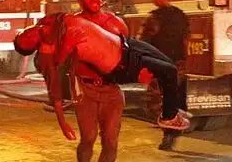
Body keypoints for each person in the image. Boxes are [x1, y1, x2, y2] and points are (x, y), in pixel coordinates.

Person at [13, 11, 191, 132]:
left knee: (169, 64)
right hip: (120, 62)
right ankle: (168, 117)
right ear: (34, 47)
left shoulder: (48, 21)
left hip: (124, 44)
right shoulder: (51, 49)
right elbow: (55, 90)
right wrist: (63, 122)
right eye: (28, 41)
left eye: (25, 33)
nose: (30, 34)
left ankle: (171, 107)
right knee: (168, 71)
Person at [65, 0, 129, 162]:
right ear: (80, 0)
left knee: (111, 142)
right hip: (87, 91)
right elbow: (65, 60)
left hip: (111, 92)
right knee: (88, 138)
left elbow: (128, 56)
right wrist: (73, 87)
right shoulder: (74, 25)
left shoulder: (116, 24)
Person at [139, 0, 190, 151]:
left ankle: (169, 134)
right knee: (175, 99)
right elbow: (185, 41)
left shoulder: (153, 18)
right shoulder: (180, 15)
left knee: (156, 101)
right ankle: (174, 129)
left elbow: (144, 43)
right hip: (178, 65)